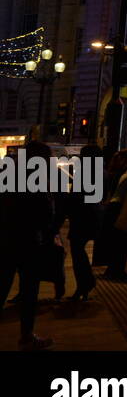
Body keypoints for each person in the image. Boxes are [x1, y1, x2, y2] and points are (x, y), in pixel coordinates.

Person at [0, 140, 56, 350]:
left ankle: (27, 336)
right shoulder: (38, 180)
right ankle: (26, 337)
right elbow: (45, 216)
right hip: (28, 242)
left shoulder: (8, 174)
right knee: (29, 291)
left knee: (2, 284)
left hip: (5, 239)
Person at [60, 144, 104, 301]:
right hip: (90, 216)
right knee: (79, 251)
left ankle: (85, 283)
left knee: (77, 251)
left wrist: (66, 200)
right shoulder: (98, 171)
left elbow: (79, 195)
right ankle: (85, 283)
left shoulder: (87, 172)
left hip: (83, 216)